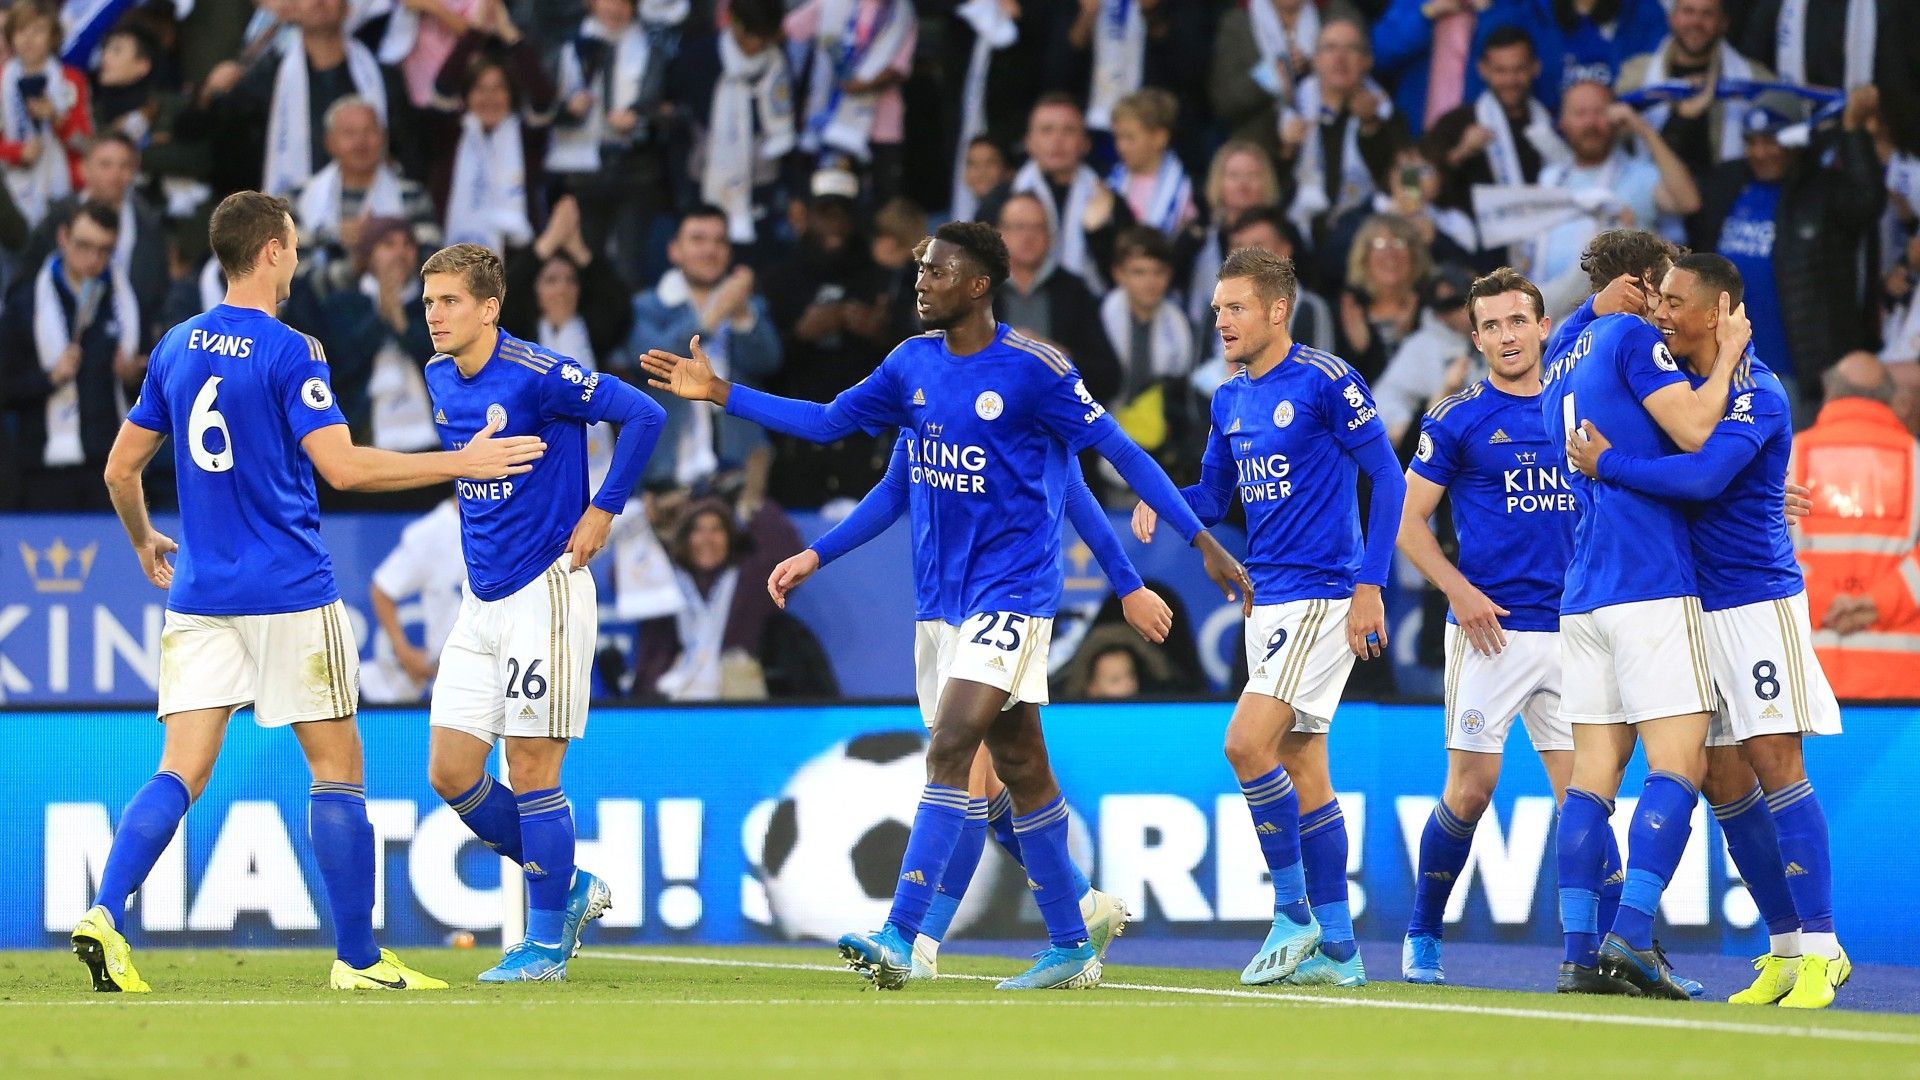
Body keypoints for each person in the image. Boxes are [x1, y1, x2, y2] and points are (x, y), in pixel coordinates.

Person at [641, 219, 1251, 991]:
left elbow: (1116, 458)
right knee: (1022, 766)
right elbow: (837, 432)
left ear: (979, 285)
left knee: (952, 749)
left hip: (1013, 593)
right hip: (941, 604)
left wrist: (1197, 540)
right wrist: (723, 397)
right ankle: (1073, 939)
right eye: (921, 268)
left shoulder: (1037, 371)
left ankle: (903, 936)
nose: (921, 282)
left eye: (936, 271)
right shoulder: (912, 366)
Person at [72, 189, 546, 994]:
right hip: (290, 588)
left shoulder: (176, 346)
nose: (295, 256)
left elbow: (121, 470)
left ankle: (106, 912)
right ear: (271, 252)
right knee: (337, 768)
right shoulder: (293, 351)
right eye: (291, 244)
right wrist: (458, 462)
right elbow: (344, 468)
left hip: (201, 595)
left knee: (179, 770)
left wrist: (144, 537)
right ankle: (358, 960)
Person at [763, 411, 1165, 978]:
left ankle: (914, 940)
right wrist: (817, 554)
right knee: (1007, 774)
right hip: (940, 610)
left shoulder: (1025, 385)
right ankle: (1079, 909)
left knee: (959, 762)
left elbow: (1075, 487)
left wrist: (1129, 584)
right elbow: (892, 486)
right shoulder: (920, 383)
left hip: (1006, 602)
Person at [1564, 253, 1848, 1009]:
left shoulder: (1757, 390)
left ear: (1720, 312)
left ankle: (1823, 948)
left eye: (1676, 301)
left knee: (1777, 762)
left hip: (1755, 604)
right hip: (1692, 608)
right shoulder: (1685, 391)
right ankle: (1784, 949)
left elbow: (1701, 478)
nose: (1661, 311)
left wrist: (1608, 463)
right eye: (1657, 298)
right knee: (1724, 780)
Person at [1133, 247, 1407, 988]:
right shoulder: (1229, 398)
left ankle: (1292, 914)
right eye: (1217, 309)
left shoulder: (1326, 380)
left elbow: (1387, 477)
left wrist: (1371, 584)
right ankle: (1340, 951)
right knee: (1303, 765)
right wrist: (1163, 499)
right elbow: (1214, 496)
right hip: (1267, 596)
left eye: (1236, 308)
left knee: (1246, 745)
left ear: (1278, 310)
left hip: (1321, 595)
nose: (1221, 321)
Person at [417, 242, 666, 982]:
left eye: (450, 301)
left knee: (530, 767)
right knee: (451, 770)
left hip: (546, 588)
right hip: (481, 598)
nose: (435, 315)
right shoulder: (437, 376)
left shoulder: (540, 374)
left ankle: (547, 943)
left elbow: (644, 413)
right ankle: (571, 884)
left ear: (489, 308)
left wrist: (603, 509)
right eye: (428, 301)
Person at [1538, 227, 1748, 1000]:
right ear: (1637, 286)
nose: (1667, 309)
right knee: (1679, 765)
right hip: (1649, 578)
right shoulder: (1630, 338)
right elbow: (1694, 429)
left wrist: (1593, 304)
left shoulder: (1565, 351)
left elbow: (1572, 327)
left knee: (1591, 780)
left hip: (1583, 591)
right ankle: (1629, 937)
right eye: (1662, 288)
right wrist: (1727, 356)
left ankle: (1577, 954)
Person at [1396, 266, 1574, 985]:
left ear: (1543, 328)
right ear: (1475, 339)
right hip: (1489, 631)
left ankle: (1596, 953)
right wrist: (1459, 591)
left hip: (1574, 630)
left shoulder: (1579, 407)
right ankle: (1422, 934)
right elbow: (1407, 521)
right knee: (1470, 792)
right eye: (1491, 325)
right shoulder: (1456, 418)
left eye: (1517, 321)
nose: (1506, 335)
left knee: (1585, 799)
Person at [1791, 353, 1920, 699]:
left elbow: (1762, 550)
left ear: (1830, 393)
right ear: (1893, 400)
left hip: (1808, 679)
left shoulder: (1787, 457)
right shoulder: (1916, 459)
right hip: (1903, 685)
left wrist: (1826, 602)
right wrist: (1877, 603)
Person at [628, 205, 781, 490]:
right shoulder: (646, 306)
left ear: (729, 253)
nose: (710, 250)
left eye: (719, 241)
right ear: (674, 250)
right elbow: (651, 359)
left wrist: (741, 313)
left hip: (740, 465)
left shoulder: (749, 306)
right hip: (667, 469)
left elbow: (769, 361)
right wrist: (712, 316)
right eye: (698, 239)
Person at [1, 201, 141, 511]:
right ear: (63, 238)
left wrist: (132, 376)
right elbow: (6, 390)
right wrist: (49, 379)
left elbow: (147, 388)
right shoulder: (26, 303)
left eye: (104, 250)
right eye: (84, 246)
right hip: (45, 468)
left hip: (109, 464)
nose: (94, 258)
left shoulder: (124, 301)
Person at [1528, 82, 1701, 301]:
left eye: (1600, 112)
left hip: (1610, 311)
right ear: (1562, 123)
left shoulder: (1640, 174)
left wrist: (1643, 129)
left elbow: (1688, 202)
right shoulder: (1550, 178)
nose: (1591, 122)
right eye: (1580, 113)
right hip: (1546, 307)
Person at [22, 133, 167, 342]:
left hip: (130, 339)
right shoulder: (59, 217)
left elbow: (158, 293)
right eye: (105, 165)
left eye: (125, 166)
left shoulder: (148, 224)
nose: (115, 174)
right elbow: (27, 281)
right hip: (53, 336)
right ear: (84, 168)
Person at [1614, 0, 1771, 178]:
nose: (1696, 22)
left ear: (1724, 23)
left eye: (1707, 14)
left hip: (1729, 190)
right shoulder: (1633, 77)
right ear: (1671, 18)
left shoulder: (1754, 79)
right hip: (1653, 189)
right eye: (1688, 11)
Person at [994, 191, 1121, 403]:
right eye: (1019, 227)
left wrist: (1057, 356)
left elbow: (1108, 377)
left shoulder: (1074, 291)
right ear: (999, 234)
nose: (1028, 237)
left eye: (1037, 228)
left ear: (1050, 236)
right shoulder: (977, 289)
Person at [290, 96, 440, 269]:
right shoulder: (298, 197)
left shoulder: (413, 196)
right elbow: (292, 268)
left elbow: (432, 262)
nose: (360, 142)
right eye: (349, 133)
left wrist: (379, 241)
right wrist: (334, 236)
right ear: (329, 142)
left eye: (369, 131)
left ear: (383, 139)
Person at [0, 1, 92, 228]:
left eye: (38, 31)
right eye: (21, 30)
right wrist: (18, 152)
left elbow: (85, 144)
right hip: (10, 188)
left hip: (62, 186)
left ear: (53, 38)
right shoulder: (3, 80)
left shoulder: (70, 80)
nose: (28, 38)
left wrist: (57, 119)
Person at [365, 498, 466, 703]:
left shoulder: (513, 523)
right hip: (454, 680)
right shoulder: (434, 531)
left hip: (504, 667)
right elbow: (382, 589)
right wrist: (404, 652)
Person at [1105, 88, 1195, 238]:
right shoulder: (1110, 181)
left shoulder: (1184, 191)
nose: (1121, 146)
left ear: (1159, 138)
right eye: (1118, 137)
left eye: (1130, 138)